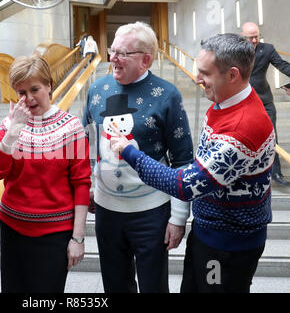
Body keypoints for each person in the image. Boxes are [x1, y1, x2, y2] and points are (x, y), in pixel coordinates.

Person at [110, 33, 275, 293]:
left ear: (232, 75)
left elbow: (185, 184)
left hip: (227, 247)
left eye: (205, 73)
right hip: (209, 233)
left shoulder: (243, 128)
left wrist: (131, 152)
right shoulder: (224, 102)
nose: (197, 79)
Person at [82, 21, 194, 293]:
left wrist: (178, 218)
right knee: (114, 283)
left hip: (152, 211)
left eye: (122, 53)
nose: (113, 58)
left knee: (153, 285)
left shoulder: (167, 94)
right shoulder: (97, 89)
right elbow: (86, 142)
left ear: (145, 59)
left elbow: (182, 159)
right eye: (112, 50)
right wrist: (87, 186)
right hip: (107, 210)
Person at [0, 54, 91, 293]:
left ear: (49, 86)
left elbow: (82, 184)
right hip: (13, 228)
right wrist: (12, 132)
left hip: (55, 232)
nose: (29, 98)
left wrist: (78, 238)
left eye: (35, 89)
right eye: (21, 92)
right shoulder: (10, 124)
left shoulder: (70, 126)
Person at [242, 22, 290, 186]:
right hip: (243, 102)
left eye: (256, 36)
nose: (254, 40)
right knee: (246, 138)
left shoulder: (267, 49)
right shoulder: (235, 51)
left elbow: (282, 65)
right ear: (243, 36)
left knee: (272, 136)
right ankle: (249, 173)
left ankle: (276, 173)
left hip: (264, 100)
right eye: (250, 37)